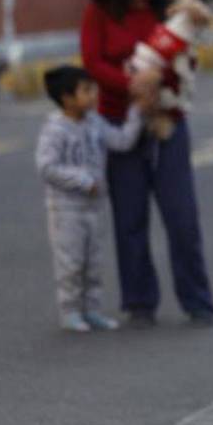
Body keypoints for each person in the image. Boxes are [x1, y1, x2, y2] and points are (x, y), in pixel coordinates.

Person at [80, 0, 213, 330]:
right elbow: (93, 62)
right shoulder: (100, 12)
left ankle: (197, 300)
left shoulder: (168, 11)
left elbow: (186, 60)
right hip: (118, 123)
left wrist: (161, 82)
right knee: (130, 218)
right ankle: (140, 301)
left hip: (168, 122)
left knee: (182, 215)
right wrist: (133, 85)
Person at [36, 67, 144, 333]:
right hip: (66, 209)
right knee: (71, 262)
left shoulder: (95, 123)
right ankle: (70, 311)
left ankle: (92, 309)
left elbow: (121, 141)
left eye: (93, 89)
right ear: (67, 98)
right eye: (86, 91)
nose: (94, 95)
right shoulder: (55, 130)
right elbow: (47, 168)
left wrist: (137, 112)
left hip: (94, 208)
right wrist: (84, 181)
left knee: (93, 262)